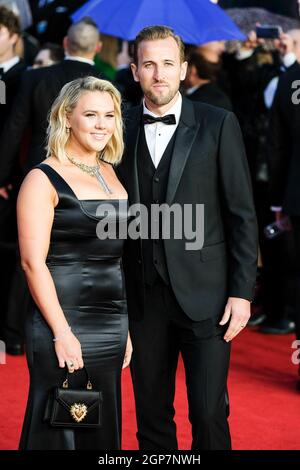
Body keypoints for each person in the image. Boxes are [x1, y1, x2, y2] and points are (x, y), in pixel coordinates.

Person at [117, 26, 258, 450]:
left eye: (167, 64)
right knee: (151, 414)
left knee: (209, 411)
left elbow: (241, 214)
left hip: (208, 296)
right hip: (142, 296)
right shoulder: (117, 125)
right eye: (148, 64)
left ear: (183, 69)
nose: (158, 74)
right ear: (135, 70)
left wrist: (242, 291)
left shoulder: (218, 123)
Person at [17, 76, 132, 450]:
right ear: (67, 117)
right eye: (91, 115)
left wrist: (125, 327)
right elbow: (33, 263)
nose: (102, 124)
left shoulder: (111, 172)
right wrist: (62, 332)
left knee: (102, 423)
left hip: (111, 320)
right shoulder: (42, 178)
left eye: (109, 115)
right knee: (57, 425)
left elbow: (115, 258)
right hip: (61, 318)